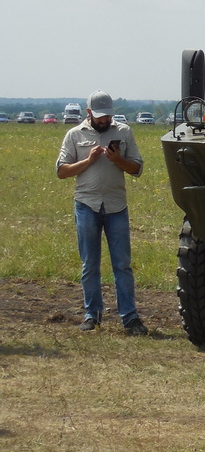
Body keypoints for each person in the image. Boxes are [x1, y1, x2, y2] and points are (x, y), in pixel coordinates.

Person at [56, 91, 148, 335]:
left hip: (116, 206)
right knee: (90, 264)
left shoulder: (124, 132)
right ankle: (91, 315)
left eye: (107, 116)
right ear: (89, 113)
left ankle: (129, 317)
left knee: (122, 264)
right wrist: (89, 160)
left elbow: (137, 169)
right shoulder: (74, 135)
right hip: (87, 205)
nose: (104, 121)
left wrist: (118, 160)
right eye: (99, 117)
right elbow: (62, 171)